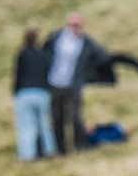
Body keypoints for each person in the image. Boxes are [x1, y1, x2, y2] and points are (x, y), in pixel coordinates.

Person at [43, 11, 111, 155]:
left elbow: (102, 56)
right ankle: (60, 148)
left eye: (78, 24)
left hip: (73, 84)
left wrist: (92, 76)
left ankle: (80, 145)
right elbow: (44, 53)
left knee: (75, 117)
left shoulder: (86, 42)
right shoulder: (56, 37)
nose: (76, 27)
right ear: (68, 24)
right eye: (73, 24)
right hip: (54, 83)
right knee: (57, 117)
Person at [13, 27, 57, 162]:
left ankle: (28, 154)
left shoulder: (22, 54)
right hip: (42, 92)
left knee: (26, 125)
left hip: (25, 92)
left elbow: (18, 75)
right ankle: (49, 150)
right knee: (44, 124)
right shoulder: (43, 54)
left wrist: (15, 92)